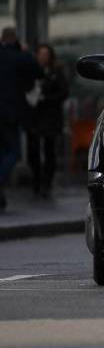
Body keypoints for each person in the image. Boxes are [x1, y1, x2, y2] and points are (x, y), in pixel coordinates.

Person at [0, 27, 41, 212]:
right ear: (15, 39)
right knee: (14, 152)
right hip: (10, 113)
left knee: (2, 153)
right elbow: (38, 70)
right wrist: (24, 51)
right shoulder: (18, 56)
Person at [25, 44, 69, 198]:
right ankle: (37, 180)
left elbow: (63, 92)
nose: (43, 57)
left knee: (49, 150)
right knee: (33, 151)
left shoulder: (56, 72)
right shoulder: (31, 71)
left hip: (50, 117)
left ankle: (46, 182)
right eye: (40, 54)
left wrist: (45, 99)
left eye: (45, 54)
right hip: (34, 117)